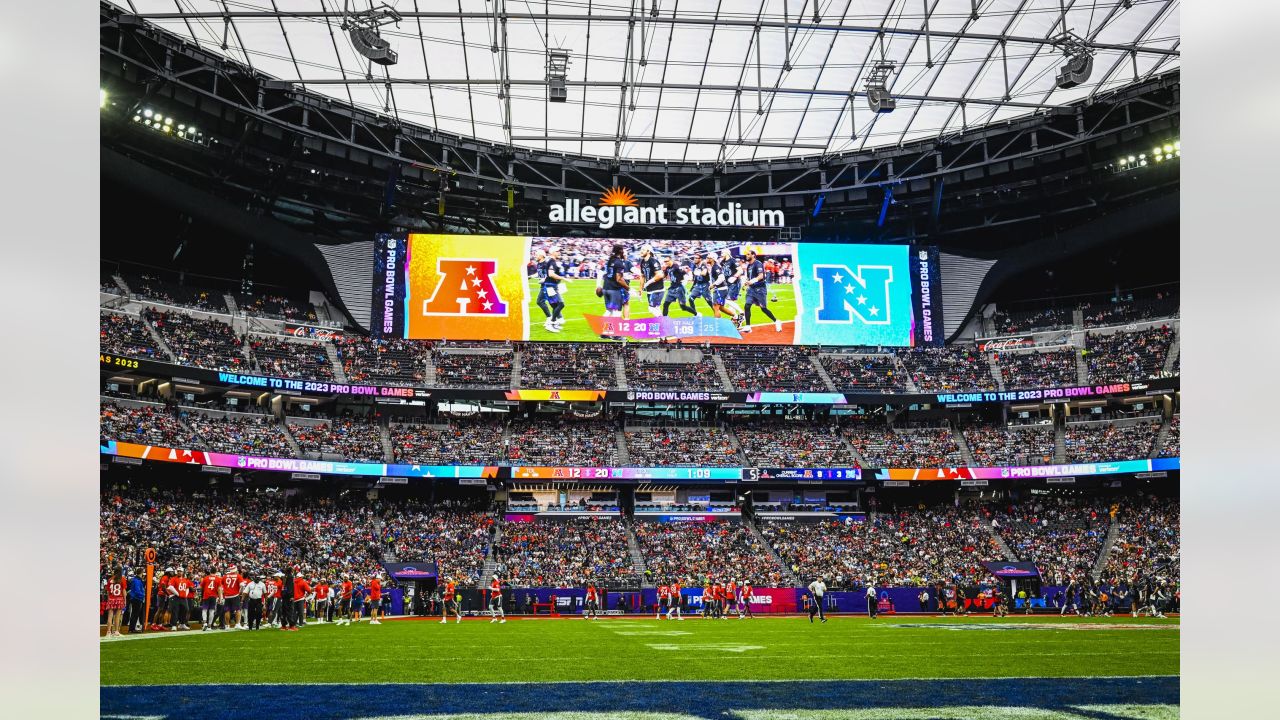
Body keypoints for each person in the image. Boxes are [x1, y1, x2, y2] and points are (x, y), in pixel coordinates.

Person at [741, 248, 781, 333]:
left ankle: (776, 321)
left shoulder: (758, 263)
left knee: (763, 308)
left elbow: (761, 276)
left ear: (753, 255)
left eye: (748, 254)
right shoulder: (748, 266)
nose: (746, 256)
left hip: (760, 289)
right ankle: (748, 326)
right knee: (747, 306)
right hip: (751, 289)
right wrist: (746, 283)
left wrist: (752, 281)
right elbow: (749, 277)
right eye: (746, 254)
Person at [536, 248, 568, 332]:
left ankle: (554, 322)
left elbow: (547, 274)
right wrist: (563, 278)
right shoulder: (550, 262)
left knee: (555, 305)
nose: (559, 252)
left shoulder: (549, 262)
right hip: (550, 286)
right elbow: (550, 274)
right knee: (560, 304)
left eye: (559, 251)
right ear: (552, 252)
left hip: (550, 286)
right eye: (557, 251)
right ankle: (552, 322)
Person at [601, 244, 631, 319]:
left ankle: (606, 329)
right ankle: (613, 329)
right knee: (616, 311)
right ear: (621, 251)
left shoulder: (610, 260)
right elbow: (619, 279)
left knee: (609, 311)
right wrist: (628, 287)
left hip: (605, 287)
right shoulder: (619, 262)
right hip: (614, 290)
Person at [637, 244, 666, 317]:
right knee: (656, 308)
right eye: (641, 249)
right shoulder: (642, 262)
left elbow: (659, 275)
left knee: (651, 308)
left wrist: (647, 283)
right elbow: (643, 276)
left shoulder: (653, 261)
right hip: (650, 289)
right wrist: (640, 288)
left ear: (648, 251)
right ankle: (663, 325)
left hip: (657, 289)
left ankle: (664, 323)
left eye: (643, 250)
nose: (641, 251)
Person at [103, 566, 126, 638]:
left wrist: (109, 598)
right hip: (119, 599)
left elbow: (107, 591)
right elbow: (124, 591)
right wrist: (125, 600)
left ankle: (108, 632)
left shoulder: (110, 580)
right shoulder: (122, 579)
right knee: (117, 616)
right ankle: (116, 631)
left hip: (111, 599)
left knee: (110, 616)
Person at [199, 566, 224, 631]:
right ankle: (209, 626)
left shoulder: (206, 578)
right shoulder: (218, 579)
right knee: (211, 611)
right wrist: (221, 598)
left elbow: (200, 587)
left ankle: (204, 622)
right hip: (214, 596)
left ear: (210, 571)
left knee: (204, 610)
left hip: (206, 595)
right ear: (216, 572)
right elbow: (219, 589)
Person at [221, 565, 243, 631]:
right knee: (238, 610)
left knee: (227, 611)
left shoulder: (225, 576)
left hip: (227, 596)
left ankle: (227, 625)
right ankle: (237, 624)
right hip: (235, 595)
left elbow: (221, 586)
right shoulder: (238, 576)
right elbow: (242, 585)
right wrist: (240, 592)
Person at [125, 568, 146, 633]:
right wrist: (143, 595)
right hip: (137, 598)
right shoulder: (137, 580)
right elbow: (137, 591)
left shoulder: (136, 580)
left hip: (136, 598)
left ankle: (132, 628)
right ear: (141, 573)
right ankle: (132, 629)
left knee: (135, 614)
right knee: (135, 614)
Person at [280, 565, 296, 631]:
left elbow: (284, 587)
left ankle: (283, 625)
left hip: (283, 595)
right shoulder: (290, 577)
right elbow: (290, 588)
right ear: (291, 571)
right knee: (290, 611)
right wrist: (291, 596)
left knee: (284, 611)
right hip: (288, 596)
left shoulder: (284, 577)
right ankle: (291, 626)